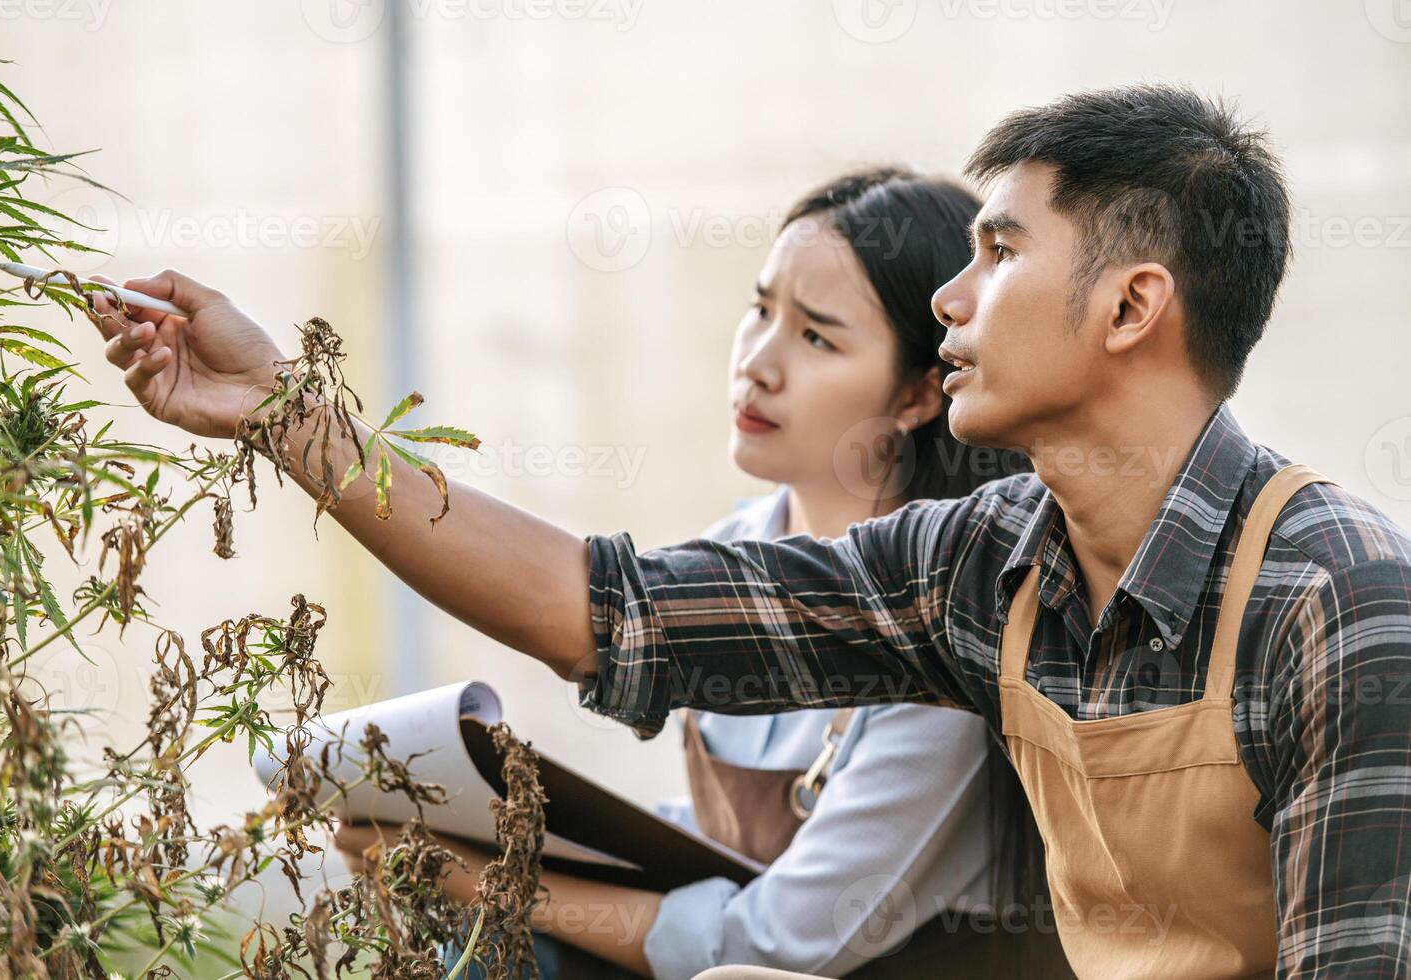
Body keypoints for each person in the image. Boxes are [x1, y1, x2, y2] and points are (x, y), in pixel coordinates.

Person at [84, 83, 1411, 978]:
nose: (952, 298)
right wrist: (289, 418)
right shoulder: (982, 561)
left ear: (1130, 308)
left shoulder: (1336, 598)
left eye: (999, 253)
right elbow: (608, 611)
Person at [333, 168, 1066, 978]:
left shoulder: (946, 613)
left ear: (921, 394)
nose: (758, 361)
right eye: (760, 310)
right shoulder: (740, 547)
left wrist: (480, 877)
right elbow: (710, 848)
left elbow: (768, 942)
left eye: (816, 336)